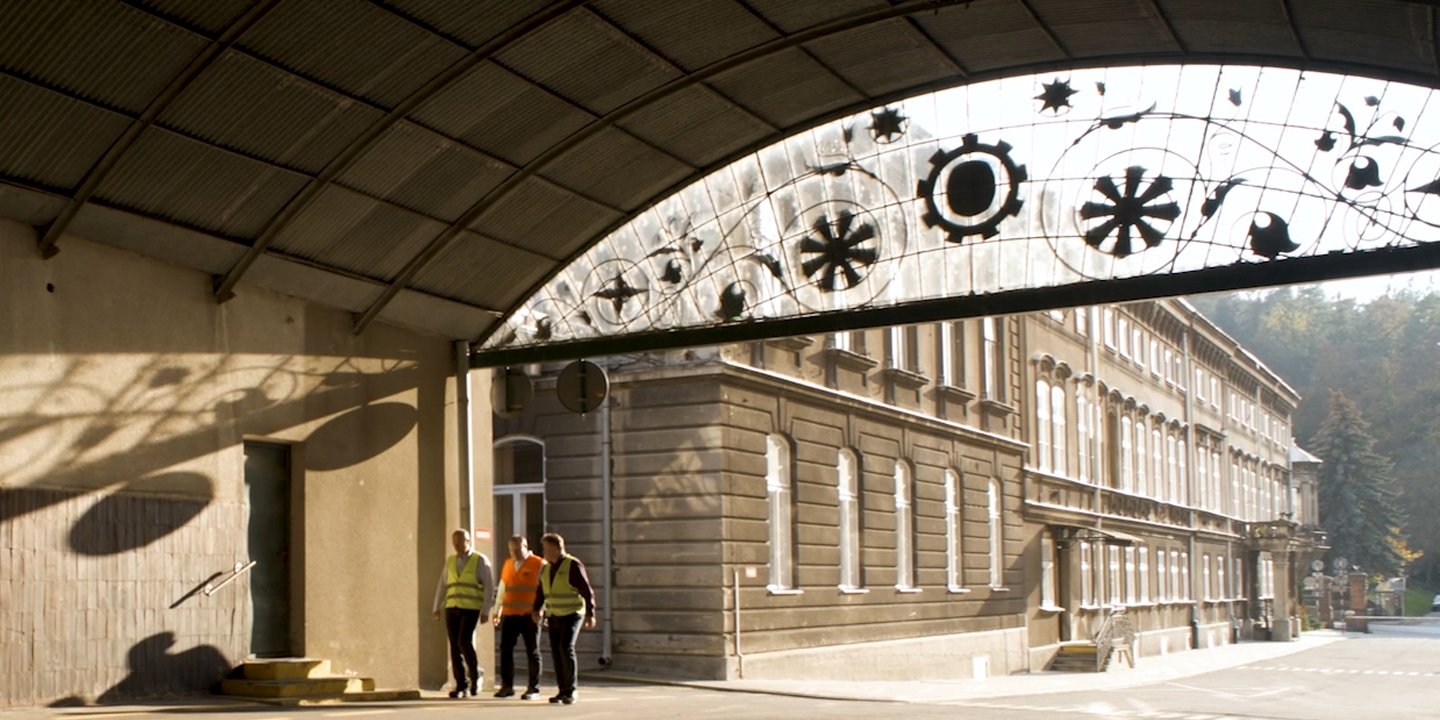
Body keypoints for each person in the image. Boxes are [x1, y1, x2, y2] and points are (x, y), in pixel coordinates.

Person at [532, 533, 595, 705]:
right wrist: (536, 609)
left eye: (547, 549)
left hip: (572, 614)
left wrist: (591, 613)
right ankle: (562, 690)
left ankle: (571, 690)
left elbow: (586, 590)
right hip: (553, 615)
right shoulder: (546, 568)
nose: (544, 552)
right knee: (556, 652)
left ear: (557, 548)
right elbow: (541, 591)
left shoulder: (573, 565)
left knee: (565, 648)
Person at [432, 529, 495, 698]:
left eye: (460, 543)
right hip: (452, 607)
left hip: (470, 607)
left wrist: (486, 610)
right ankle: (461, 685)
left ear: (468, 541)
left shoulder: (479, 560)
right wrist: (436, 606)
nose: (458, 546)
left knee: (463, 640)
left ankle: (475, 675)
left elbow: (489, 586)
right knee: (454, 646)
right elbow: (443, 584)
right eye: (455, 543)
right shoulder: (451, 561)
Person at [491, 535, 545, 700]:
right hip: (509, 613)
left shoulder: (539, 564)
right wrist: (497, 609)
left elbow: (545, 589)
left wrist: (541, 609)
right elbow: (503, 587)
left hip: (530, 615)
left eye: (517, 549)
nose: (514, 553)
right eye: (511, 550)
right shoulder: (508, 564)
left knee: (532, 651)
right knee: (505, 650)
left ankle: (533, 688)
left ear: (525, 546)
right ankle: (507, 686)